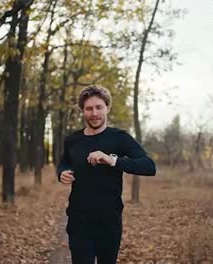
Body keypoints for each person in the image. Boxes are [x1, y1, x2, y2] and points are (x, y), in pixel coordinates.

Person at [56, 85, 156, 264]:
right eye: (89, 108)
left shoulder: (119, 138)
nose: (94, 113)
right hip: (79, 221)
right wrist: (61, 172)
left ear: (107, 108)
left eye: (99, 107)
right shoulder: (72, 140)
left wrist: (112, 160)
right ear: (82, 111)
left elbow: (149, 166)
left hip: (109, 221)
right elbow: (65, 162)